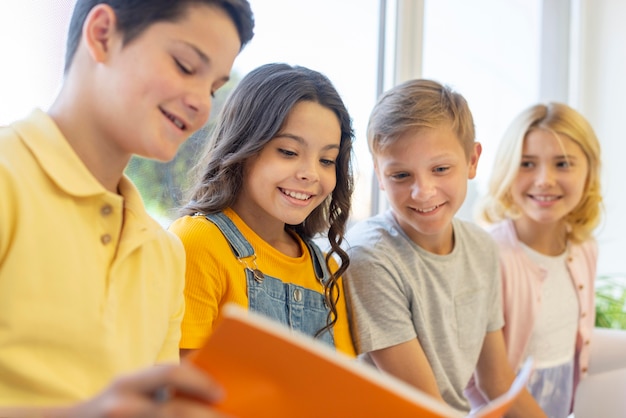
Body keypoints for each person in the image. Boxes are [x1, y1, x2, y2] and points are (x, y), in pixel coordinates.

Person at [0, 0, 253, 415]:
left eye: (213, 88)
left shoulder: (164, 253)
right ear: (102, 35)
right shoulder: (8, 180)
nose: (202, 106)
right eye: (186, 66)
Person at [343, 79, 546, 416]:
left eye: (440, 169)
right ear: (379, 174)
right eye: (400, 175)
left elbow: (496, 380)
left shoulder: (482, 248)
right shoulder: (370, 259)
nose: (423, 191)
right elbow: (426, 407)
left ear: (472, 160)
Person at [169, 63, 356, 358]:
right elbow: (181, 387)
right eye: (288, 152)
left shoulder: (325, 269)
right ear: (242, 147)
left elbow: (343, 388)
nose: (311, 174)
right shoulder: (198, 241)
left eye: (327, 160)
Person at [472, 102, 603, 417]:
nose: (544, 179)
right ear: (506, 169)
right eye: (527, 164)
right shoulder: (490, 256)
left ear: (589, 171)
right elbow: (493, 382)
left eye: (563, 164)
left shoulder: (584, 248)